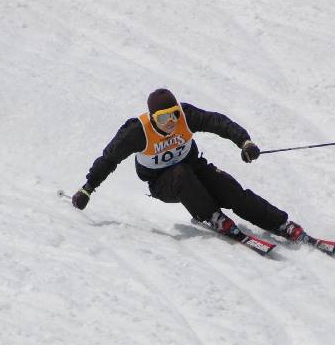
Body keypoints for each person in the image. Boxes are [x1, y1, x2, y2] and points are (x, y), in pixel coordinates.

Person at [70, 88, 310, 243]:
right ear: (153, 117)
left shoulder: (186, 116)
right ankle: (212, 216)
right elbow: (108, 159)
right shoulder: (136, 132)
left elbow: (218, 122)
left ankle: (280, 223)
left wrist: (244, 142)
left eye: (174, 114)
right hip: (162, 183)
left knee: (230, 189)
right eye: (163, 117)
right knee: (181, 173)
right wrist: (87, 188)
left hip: (194, 167)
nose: (171, 122)